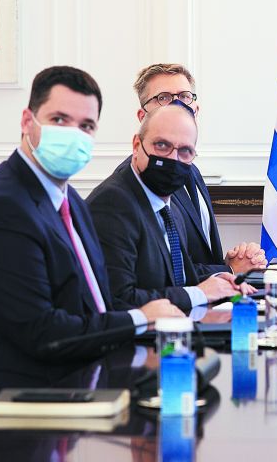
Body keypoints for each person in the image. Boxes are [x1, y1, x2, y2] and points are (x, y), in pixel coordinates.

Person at [0, 67, 183, 411]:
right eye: (59, 120)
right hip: (5, 404)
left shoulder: (69, 199)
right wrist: (141, 317)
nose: (73, 135)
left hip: (74, 375)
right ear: (27, 122)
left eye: (86, 126)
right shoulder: (2, 208)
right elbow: (43, 334)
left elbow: (94, 304)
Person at [87, 104, 254, 313]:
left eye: (185, 151)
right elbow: (119, 299)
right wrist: (199, 293)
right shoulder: (113, 203)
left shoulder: (170, 206)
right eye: (162, 145)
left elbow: (178, 277)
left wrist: (220, 280)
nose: (173, 159)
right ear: (136, 145)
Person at [130, 63, 266, 274]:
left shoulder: (191, 169)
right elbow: (163, 271)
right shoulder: (138, 179)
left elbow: (195, 255)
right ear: (142, 116)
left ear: (195, 109)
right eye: (163, 97)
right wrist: (228, 270)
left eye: (184, 96)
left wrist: (227, 263)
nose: (177, 104)